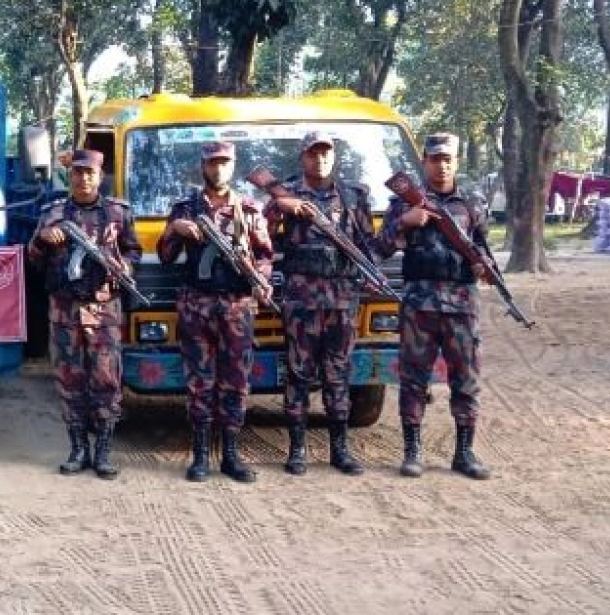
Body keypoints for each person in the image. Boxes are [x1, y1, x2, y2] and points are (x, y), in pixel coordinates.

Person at [373, 133, 493, 480]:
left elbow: (483, 247)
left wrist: (483, 265)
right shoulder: (404, 202)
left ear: (455, 163)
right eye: (435, 159)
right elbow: (378, 249)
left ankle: (464, 452)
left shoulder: (472, 202)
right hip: (418, 305)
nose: (442, 166)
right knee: (413, 379)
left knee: (466, 378)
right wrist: (405, 222)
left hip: (461, 305)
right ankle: (412, 451)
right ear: (424, 162)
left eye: (448, 160)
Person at [157, 141, 274, 483]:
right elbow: (165, 255)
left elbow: (266, 255)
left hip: (237, 306)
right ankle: (200, 455)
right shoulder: (184, 208)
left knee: (236, 381)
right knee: (199, 381)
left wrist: (259, 277)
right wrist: (174, 230)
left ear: (233, 166)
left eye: (224, 163)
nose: (218, 168)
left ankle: (232, 455)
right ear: (203, 166)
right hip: (198, 304)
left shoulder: (250, 211)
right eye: (213, 163)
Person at [264, 131, 375, 476]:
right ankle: (297, 450)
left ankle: (339, 451)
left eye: (326, 153)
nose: (320, 159)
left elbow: (366, 243)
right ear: (303, 157)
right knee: (298, 375)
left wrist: (370, 275)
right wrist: (279, 207)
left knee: (338, 374)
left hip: (341, 299)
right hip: (301, 299)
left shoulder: (353, 196)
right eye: (314, 153)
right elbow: (261, 237)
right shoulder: (286, 193)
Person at [27, 149, 141, 480]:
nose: (83, 178)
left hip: (103, 310)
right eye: (77, 172)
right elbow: (33, 261)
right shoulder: (53, 213)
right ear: (70, 176)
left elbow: (134, 250)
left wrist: (124, 265)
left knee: (106, 380)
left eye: (89, 172)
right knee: (70, 379)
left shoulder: (118, 213)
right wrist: (43, 240)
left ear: (99, 175)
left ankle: (103, 450)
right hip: (64, 310)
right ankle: (78, 449)